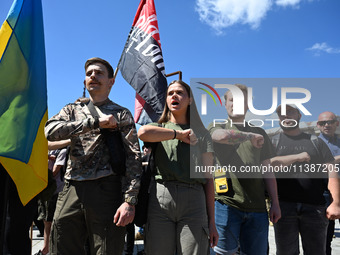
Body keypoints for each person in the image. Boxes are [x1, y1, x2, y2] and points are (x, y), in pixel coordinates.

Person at [44, 57, 142, 255]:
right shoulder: (72, 109)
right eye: (89, 74)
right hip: (71, 189)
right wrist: (94, 122)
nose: (93, 77)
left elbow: (133, 158)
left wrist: (129, 201)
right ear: (84, 82)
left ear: (111, 81)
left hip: (106, 190)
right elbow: (50, 131)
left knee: (106, 249)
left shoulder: (122, 114)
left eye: (99, 73)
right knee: (61, 246)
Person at [138, 80, 219, 254]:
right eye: (170, 93)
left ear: (190, 99)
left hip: (194, 200)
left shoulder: (203, 134)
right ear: (166, 101)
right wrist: (178, 135)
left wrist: (212, 222)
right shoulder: (159, 128)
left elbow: (209, 180)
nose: (174, 95)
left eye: (180, 92)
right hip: (160, 198)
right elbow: (142, 132)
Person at [208, 84, 281, 255]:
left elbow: (268, 171)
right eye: (232, 100)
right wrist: (249, 137)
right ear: (225, 104)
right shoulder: (217, 125)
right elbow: (220, 137)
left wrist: (275, 203)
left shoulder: (260, 132)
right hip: (226, 205)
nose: (236, 104)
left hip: (257, 207)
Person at [271, 105, 340, 255]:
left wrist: (335, 203)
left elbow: (332, 171)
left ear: (299, 116)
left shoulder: (316, 142)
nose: (286, 116)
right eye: (281, 114)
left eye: (290, 112)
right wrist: (298, 157)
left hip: (315, 208)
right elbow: (269, 166)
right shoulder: (273, 142)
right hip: (283, 207)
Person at [35, 139, 70, 255]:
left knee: (52, 222)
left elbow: (54, 171)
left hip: (55, 190)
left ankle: (50, 249)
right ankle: (46, 249)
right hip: (44, 190)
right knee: (46, 221)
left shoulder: (63, 150)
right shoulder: (47, 151)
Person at [317, 111, 340, 255]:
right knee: (325, 236)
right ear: (318, 126)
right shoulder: (313, 143)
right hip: (325, 191)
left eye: (330, 122)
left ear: (336, 123)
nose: (327, 125)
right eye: (323, 123)